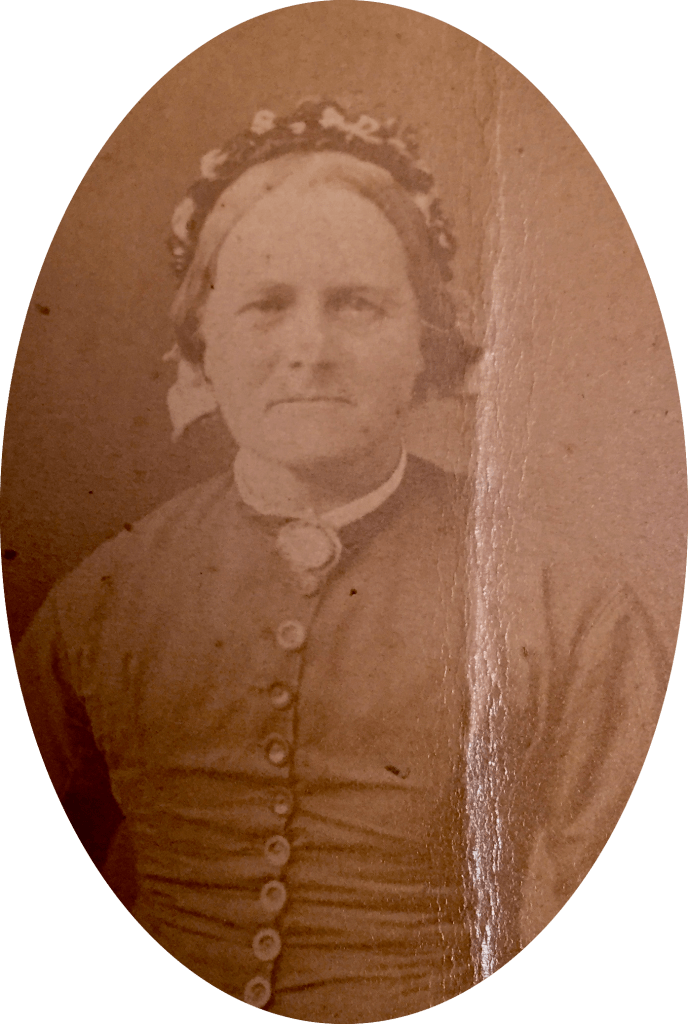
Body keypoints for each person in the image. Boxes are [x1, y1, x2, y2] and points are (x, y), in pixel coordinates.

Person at [14, 100, 667, 1023]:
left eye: (357, 305)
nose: (308, 352)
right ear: (205, 345)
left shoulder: (565, 600)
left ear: (425, 342)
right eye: (266, 306)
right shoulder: (107, 597)